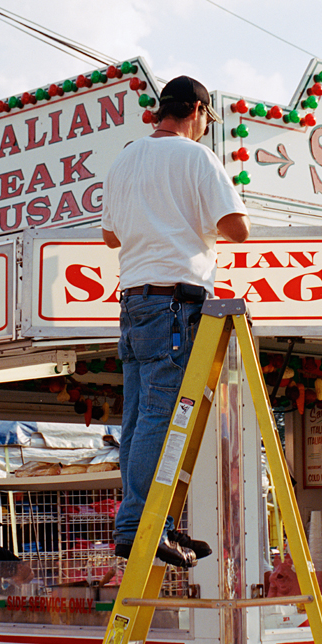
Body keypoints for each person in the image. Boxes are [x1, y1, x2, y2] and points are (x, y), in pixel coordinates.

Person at [102, 75, 251, 569]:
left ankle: (150, 521)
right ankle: (140, 525)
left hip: (135, 301)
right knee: (161, 420)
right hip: (175, 302)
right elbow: (238, 229)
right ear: (196, 111)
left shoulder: (125, 159)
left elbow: (110, 236)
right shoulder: (196, 158)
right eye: (207, 118)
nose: (207, 127)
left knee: (138, 417)